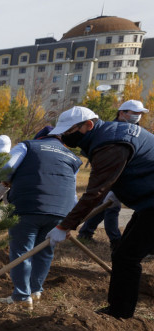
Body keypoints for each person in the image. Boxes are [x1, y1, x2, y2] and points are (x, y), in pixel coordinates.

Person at [44, 106, 154, 319]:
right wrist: (117, 190)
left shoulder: (110, 144)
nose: (66, 136)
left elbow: (94, 193)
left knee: (127, 256)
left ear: (89, 125)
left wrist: (64, 225)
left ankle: (119, 314)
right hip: (148, 203)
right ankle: (119, 310)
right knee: (123, 253)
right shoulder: (111, 134)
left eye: (69, 131)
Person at [0, 127, 80, 307]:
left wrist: (8, 179)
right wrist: (70, 223)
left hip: (28, 207)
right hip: (60, 212)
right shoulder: (73, 157)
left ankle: (21, 296)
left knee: (22, 251)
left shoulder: (27, 146)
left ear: (39, 137)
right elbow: (73, 193)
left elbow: (7, 168)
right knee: (44, 251)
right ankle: (35, 291)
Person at [77, 101, 147, 249]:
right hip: (110, 174)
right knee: (111, 208)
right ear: (122, 113)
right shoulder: (109, 130)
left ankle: (86, 232)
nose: (138, 116)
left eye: (140, 113)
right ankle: (116, 241)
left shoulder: (135, 129)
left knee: (104, 206)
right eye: (134, 113)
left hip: (125, 176)